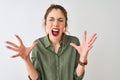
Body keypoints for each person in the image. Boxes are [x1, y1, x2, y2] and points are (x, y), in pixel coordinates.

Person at [6, 4, 97, 80]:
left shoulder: (74, 42)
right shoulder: (37, 45)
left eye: (60, 20)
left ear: (65, 24)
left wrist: (83, 58)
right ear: (45, 23)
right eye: (51, 19)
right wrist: (26, 59)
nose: (56, 24)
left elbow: (77, 78)